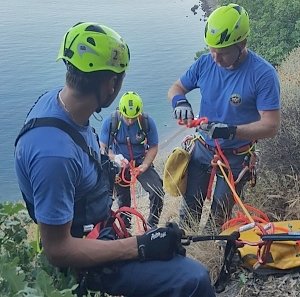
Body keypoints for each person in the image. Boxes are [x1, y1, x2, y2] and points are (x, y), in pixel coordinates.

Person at [14, 22, 216, 297]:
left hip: (100, 229)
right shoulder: (54, 155)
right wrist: (141, 246)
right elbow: (58, 250)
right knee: (193, 279)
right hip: (83, 260)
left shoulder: (57, 103)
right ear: (111, 85)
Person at [167, 4, 280, 230]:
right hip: (202, 149)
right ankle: (184, 251)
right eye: (212, 49)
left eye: (223, 52)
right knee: (190, 208)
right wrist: (179, 103)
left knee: (219, 215)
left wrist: (231, 130)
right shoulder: (205, 63)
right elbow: (177, 87)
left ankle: (211, 253)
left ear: (242, 44)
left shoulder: (263, 74)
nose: (216, 58)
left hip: (236, 158)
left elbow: (271, 125)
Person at [99, 91, 164, 229]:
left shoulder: (146, 122)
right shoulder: (111, 122)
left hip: (141, 161)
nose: (130, 121)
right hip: (119, 163)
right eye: (127, 117)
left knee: (157, 191)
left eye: (133, 117)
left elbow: (153, 146)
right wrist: (114, 157)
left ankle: (152, 225)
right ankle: (125, 227)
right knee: (123, 200)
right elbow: (103, 148)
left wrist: (145, 165)